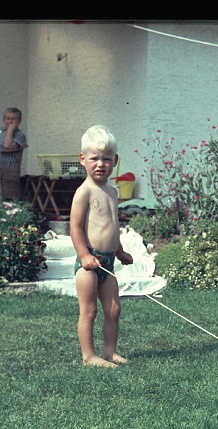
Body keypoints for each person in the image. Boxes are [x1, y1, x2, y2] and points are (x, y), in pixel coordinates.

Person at [69, 125, 133, 368]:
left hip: (108, 262)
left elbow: (112, 226)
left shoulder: (112, 192)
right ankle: (89, 356)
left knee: (114, 309)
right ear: (83, 159)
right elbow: (74, 227)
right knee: (89, 311)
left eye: (106, 159)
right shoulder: (84, 192)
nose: (100, 164)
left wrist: (120, 251)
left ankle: (110, 351)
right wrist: (83, 255)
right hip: (89, 264)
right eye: (94, 158)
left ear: (114, 161)